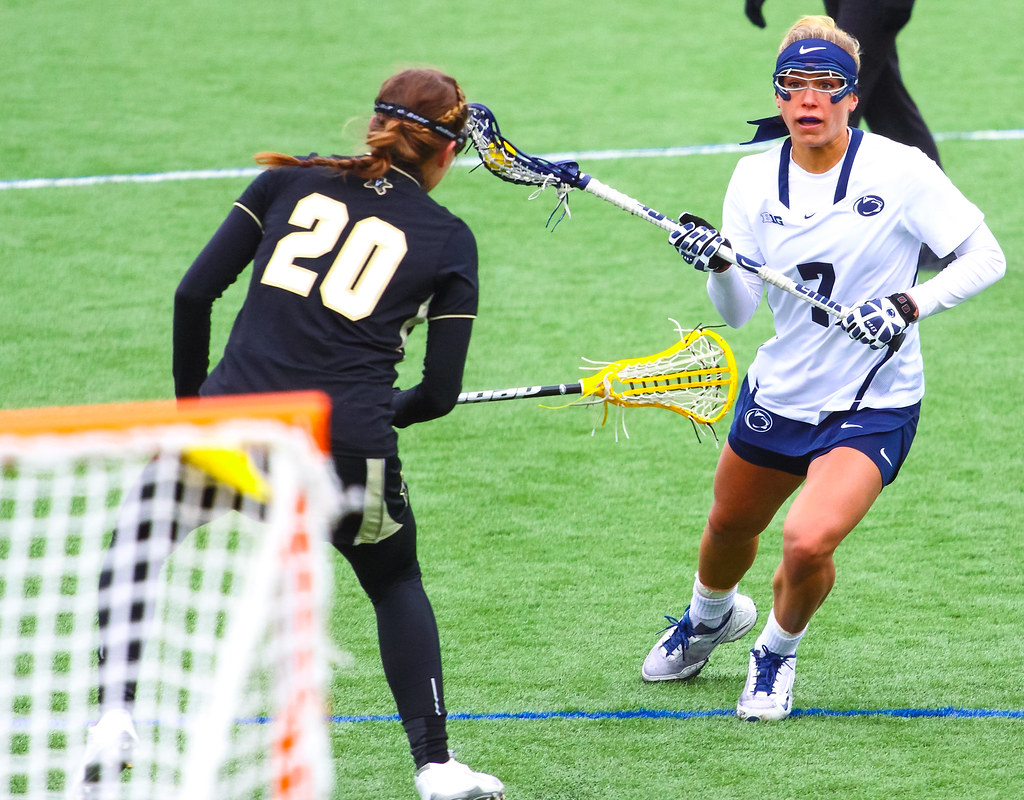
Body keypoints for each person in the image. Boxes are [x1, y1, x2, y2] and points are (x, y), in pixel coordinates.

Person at [71, 68, 505, 800]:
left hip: (229, 428)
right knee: (395, 581)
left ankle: (113, 716)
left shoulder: (287, 185)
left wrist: (192, 411)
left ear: (376, 126)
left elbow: (192, 293)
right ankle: (434, 767)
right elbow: (437, 395)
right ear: (446, 154)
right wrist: (382, 406)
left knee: (136, 542)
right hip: (346, 450)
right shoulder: (449, 240)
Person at [642, 16, 1005, 721]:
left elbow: (986, 257)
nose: (808, 99)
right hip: (783, 390)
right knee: (727, 530)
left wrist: (908, 304)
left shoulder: (900, 171)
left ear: (852, 98)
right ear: (778, 98)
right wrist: (717, 264)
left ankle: (775, 653)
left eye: (825, 85)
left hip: (874, 401)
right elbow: (741, 308)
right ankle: (710, 617)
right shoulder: (752, 178)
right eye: (793, 86)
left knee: (807, 541)